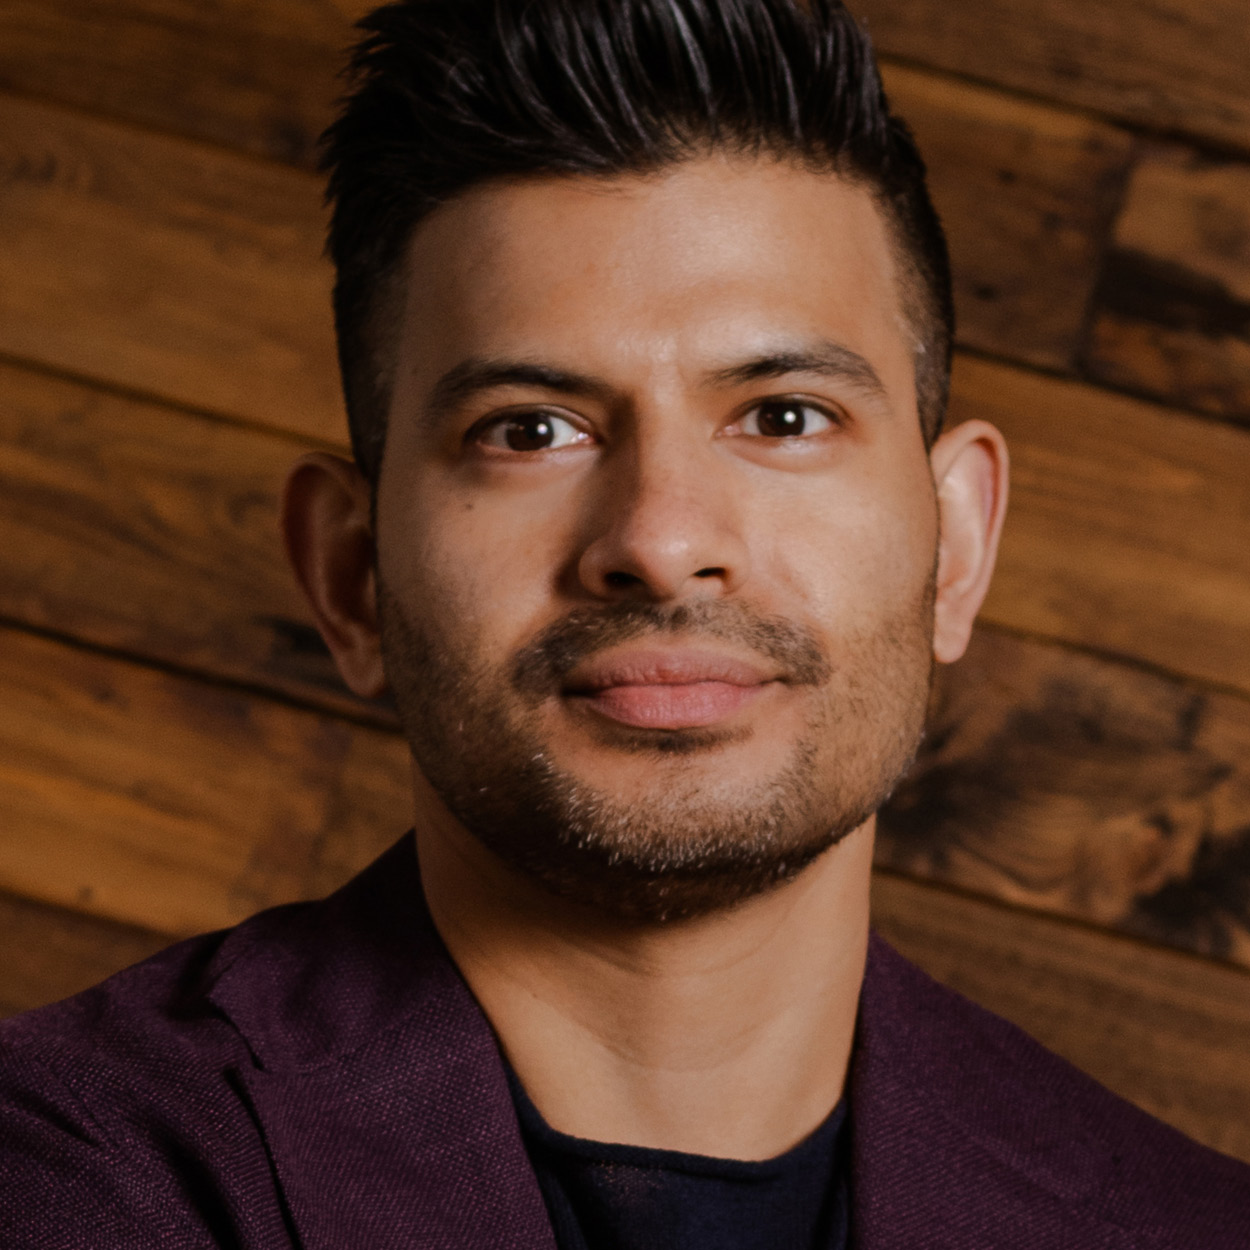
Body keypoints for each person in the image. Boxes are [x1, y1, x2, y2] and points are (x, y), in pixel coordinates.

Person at [2, 0, 1248, 1246]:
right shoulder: (67, 1174)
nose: (658, 537)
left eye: (783, 416)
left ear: (955, 546)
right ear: (350, 574)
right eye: (529, 430)